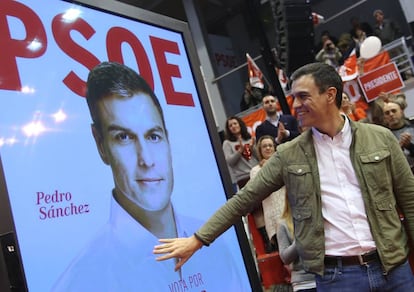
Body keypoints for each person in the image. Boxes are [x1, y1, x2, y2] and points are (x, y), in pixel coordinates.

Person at [153, 62, 414, 291]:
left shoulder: (379, 138)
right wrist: (197, 240)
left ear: (330, 95)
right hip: (337, 279)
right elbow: (243, 199)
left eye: (303, 96)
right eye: (293, 98)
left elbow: (410, 201)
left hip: (394, 269)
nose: (295, 105)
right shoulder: (289, 154)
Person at [52, 62, 245, 291]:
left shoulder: (216, 244)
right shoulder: (82, 282)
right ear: (100, 145)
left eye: (153, 136)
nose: (146, 160)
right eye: (123, 137)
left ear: (167, 139)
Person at [250, 135, 285, 253]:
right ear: (260, 150)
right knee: (286, 255)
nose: (268, 148)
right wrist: (267, 169)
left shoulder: (283, 163)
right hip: (273, 217)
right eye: (264, 146)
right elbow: (259, 190)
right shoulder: (255, 171)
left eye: (270, 145)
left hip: (289, 213)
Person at [277, 192, 316, 292]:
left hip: (327, 277)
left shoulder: (318, 216)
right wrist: (299, 240)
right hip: (303, 283)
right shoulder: (283, 224)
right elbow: (285, 258)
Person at [222, 116, 258, 189]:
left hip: (257, 173)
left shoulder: (249, 139)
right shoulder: (227, 143)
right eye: (230, 125)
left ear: (240, 124)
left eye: (235, 123)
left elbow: (259, 156)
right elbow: (229, 162)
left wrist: (252, 148)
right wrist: (239, 151)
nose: (233, 126)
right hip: (243, 178)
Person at [383, 99, 414, 172]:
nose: (391, 114)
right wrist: (397, 149)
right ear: (384, 117)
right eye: (387, 113)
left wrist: (409, 146)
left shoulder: (412, 128)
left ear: (401, 112)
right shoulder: (383, 136)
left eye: (394, 111)